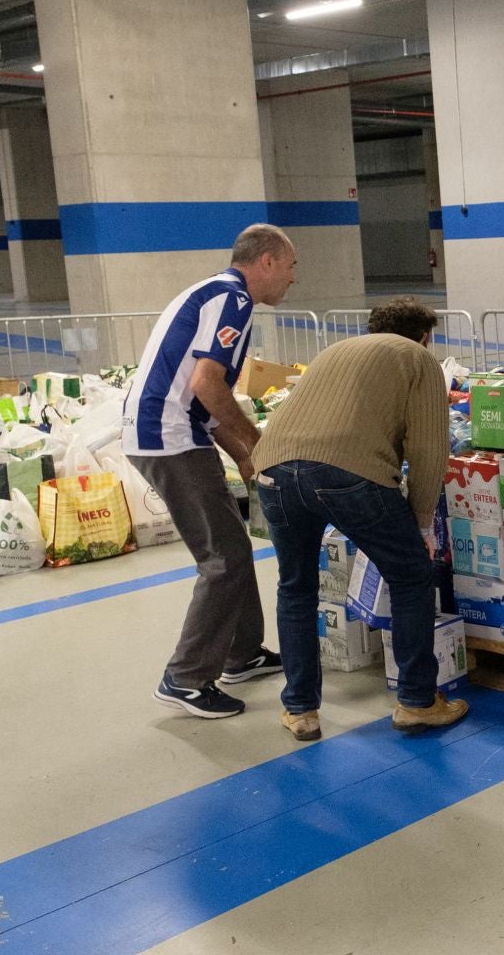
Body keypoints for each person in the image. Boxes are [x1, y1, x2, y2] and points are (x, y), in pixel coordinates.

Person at [251, 298, 463, 743]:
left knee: (296, 587)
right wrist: (423, 523)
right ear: (425, 336)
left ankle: (300, 710)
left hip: (272, 469)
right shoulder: (418, 359)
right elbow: (428, 448)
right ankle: (417, 701)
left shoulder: (336, 351)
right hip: (345, 474)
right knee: (410, 576)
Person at [125, 224, 296, 720]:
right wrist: (258, 441)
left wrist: (243, 454)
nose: (292, 279)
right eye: (290, 267)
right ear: (266, 261)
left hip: (175, 432)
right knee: (223, 557)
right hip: (169, 440)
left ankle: (241, 656)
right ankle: (185, 678)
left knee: (232, 549)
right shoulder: (232, 299)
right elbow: (206, 385)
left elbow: (200, 399)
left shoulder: (212, 293)